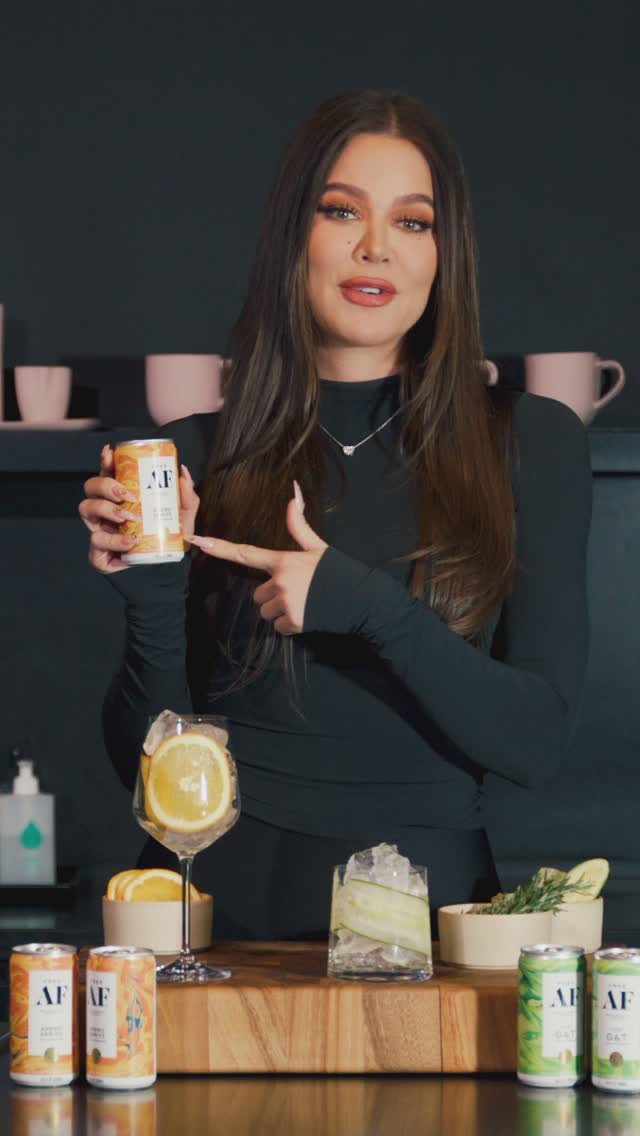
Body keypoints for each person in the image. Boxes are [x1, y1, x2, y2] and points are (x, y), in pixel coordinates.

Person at [79, 90, 592, 941]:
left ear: (445, 255)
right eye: (342, 210)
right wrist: (152, 596)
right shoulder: (192, 457)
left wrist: (369, 608)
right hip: (213, 940)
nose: (375, 247)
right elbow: (154, 777)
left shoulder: (529, 444)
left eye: (413, 222)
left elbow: (537, 741)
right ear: (295, 236)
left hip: (424, 942)